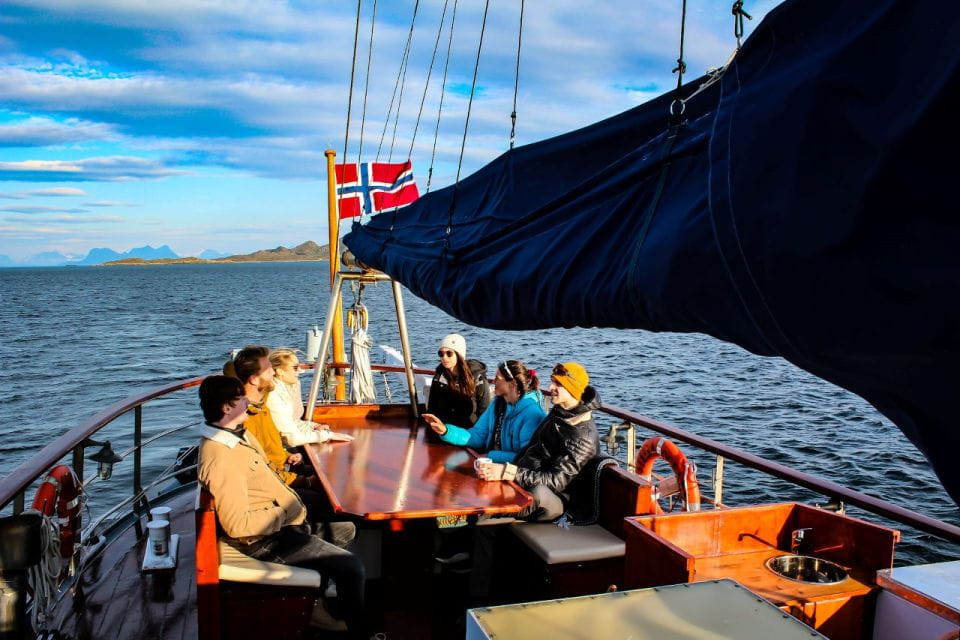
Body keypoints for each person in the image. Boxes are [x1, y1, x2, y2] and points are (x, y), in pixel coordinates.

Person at [197, 375, 365, 635]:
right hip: (264, 540)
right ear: (227, 408)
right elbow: (238, 525)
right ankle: (352, 628)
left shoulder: (237, 436)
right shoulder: (222, 457)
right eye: (241, 398)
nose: (247, 402)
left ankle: (314, 599)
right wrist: (286, 512)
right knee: (352, 567)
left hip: (282, 527)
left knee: (346, 529)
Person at [477, 362, 600, 521]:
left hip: (555, 500)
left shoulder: (583, 437)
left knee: (483, 511)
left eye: (558, 384)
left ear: (572, 390)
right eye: (553, 381)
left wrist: (508, 472)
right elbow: (530, 448)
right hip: (526, 481)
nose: (551, 387)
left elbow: (555, 482)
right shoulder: (560, 414)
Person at [423, 360, 545, 463]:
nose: (493, 381)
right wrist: (445, 431)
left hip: (513, 476)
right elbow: (477, 435)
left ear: (512, 384)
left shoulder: (532, 414)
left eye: (498, 378)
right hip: (491, 466)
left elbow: (526, 458)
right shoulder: (497, 405)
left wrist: (490, 456)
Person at [267, 348, 352, 446]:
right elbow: (291, 438)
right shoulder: (273, 395)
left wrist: (314, 427)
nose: (300, 370)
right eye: (295, 368)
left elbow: (292, 423)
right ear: (279, 371)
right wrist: (326, 435)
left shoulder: (285, 388)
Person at [426, 333, 490, 427]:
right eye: (441, 353)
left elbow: (484, 412)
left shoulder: (477, 378)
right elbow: (433, 408)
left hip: (470, 431)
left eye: (449, 353)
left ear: (459, 355)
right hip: (445, 430)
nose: (444, 357)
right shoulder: (439, 378)